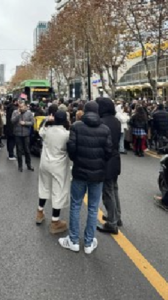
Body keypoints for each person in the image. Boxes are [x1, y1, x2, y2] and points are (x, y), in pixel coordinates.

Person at [59, 101, 112, 255]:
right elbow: (109, 151)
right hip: (98, 173)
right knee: (93, 207)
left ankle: (73, 240)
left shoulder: (76, 126)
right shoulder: (105, 129)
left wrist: (77, 159)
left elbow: (72, 148)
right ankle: (89, 242)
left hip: (79, 172)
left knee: (75, 205)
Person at [37, 110, 70, 234]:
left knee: (44, 187)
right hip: (59, 165)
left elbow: (40, 131)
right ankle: (55, 221)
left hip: (44, 162)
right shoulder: (66, 134)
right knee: (59, 191)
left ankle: (40, 212)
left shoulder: (47, 130)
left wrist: (46, 120)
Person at [96, 98, 122, 235]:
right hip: (116, 158)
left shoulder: (102, 122)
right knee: (114, 188)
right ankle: (116, 216)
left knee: (108, 192)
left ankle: (111, 222)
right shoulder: (116, 120)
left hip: (107, 160)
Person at [11, 100, 34, 172]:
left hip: (26, 134)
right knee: (19, 150)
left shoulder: (29, 113)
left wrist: (25, 123)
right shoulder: (15, 112)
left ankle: (28, 164)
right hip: (17, 134)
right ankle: (20, 166)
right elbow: (12, 121)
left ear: (25, 106)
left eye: (22, 106)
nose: (21, 108)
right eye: (20, 107)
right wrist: (18, 114)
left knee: (27, 150)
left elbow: (32, 122)